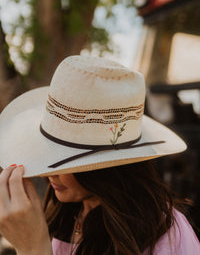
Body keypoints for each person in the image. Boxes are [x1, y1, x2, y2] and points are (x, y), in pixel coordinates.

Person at [0, 55, 199, 255]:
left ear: (106, 167)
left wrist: (33, 249)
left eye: (66, 161)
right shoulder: (68, 212)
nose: (47, 173)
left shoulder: (167, 237)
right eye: (50, 153)